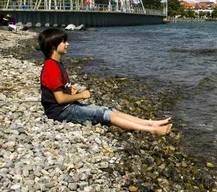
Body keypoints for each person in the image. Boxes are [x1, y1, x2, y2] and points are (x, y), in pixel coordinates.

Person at [38, 28, 172, 135]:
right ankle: (151, 130)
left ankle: (151, 123)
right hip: (61, 112)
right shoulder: (51, 67)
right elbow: (60, 99)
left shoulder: (56, 64)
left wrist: (71, 92)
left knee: (112, 110)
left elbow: (59, 91)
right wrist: (81, 95)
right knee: (105, 114)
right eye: (63, 41)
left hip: (66, 107)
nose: (67, 44)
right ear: (53, 46)